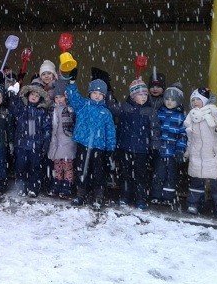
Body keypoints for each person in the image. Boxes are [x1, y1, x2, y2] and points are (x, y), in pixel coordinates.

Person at [66, 71, 116, 207]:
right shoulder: (83, 105)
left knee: (98, 172)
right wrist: (71, 83)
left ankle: (98, 197)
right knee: (81, 169)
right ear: (89, 93)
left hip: (98, 148)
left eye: (100, 94)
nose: (97, 96)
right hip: (83, 144)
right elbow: (73, 97)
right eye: (94, 93)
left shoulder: (106, 113)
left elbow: (110, 132)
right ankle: (80, 194)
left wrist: (111, 148)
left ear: (104, 96)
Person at [184, 87, 217, 219]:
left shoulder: (214, 113)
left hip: (213, 154)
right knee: (196, 183)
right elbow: (190, 137)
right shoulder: (191, 116)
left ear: (205, 100)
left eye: (198, 99)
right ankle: (193, 204)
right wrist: (188, 151)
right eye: (193, 100)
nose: (195, 102)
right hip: (197, 154)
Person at [108, 77, 153, 210]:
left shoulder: (150, 111)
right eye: (140, 94)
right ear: (133, 96)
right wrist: (109, 93)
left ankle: (140, 198)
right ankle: (125, 196)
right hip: (125, 147)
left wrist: (154, 145)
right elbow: (112, 108)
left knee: (140, 175)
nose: (143, 97)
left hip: (142, 150)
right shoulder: (125, 108)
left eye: (145, 94)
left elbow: (154, 129)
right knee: (125, 174)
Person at [8, 81, 52, 197]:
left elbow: (47, 129)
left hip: (36, 146)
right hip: (21, 145)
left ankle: (33, 188)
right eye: (32, 94)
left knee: (35, 168)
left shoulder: (42, 112)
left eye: (37, 96)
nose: (34, 97)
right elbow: (13, 110)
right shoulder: (22, 108)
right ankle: (21, 187)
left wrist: (45, 144)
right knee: (20, 167)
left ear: (40, 99)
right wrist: (13, 96)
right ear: (28, 95)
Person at [150, 83, 187, 206]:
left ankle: (168, 196)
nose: (169, 102)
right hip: (160, 150)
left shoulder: (181, 117)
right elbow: (155, 130)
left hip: (173, 152)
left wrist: (180, 150)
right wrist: (154, 145)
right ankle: (155, 194)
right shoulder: (159, 113)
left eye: (173, 100)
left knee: (171, 175)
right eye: (167, 99)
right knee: (158, 173)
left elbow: (182, 135)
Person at [47, 79, 77, 199]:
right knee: (57, 165)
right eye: (57, 97)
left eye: (61, 97)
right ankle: (57, 184)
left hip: (67, 142)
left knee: (67, 165)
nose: (59, 100)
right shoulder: (52, 110)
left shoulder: (70, 109)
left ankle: (67, 185)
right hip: (56, 142)